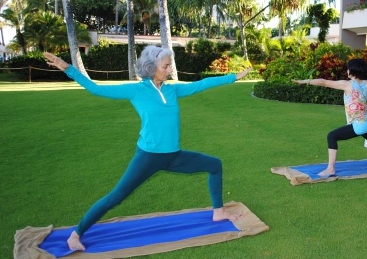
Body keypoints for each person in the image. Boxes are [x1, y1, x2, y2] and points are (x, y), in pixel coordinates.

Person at [43, 46, 252, 252]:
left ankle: (219, 211)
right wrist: (67, 68)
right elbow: (95, 89)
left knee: (214, 165)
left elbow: (203, 84)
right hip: (149, 157)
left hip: (173, 156)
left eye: (170, 65)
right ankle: (76, 234)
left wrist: (233, 77)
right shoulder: (136, 90)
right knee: (116, 196)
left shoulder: (172, 90)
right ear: (151, 67)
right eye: (166, 66)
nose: (170, 70)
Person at [292, 58, 367, 178]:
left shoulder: (347, 85)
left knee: (332, 136)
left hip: (359, 125)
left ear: (351, 71)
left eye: (348, 69)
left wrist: (305, 81)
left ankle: (330, 169)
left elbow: (324, 82)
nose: (347, 71)